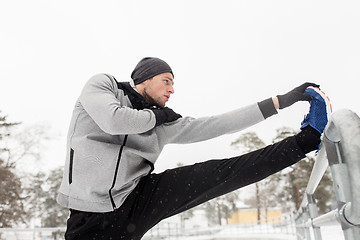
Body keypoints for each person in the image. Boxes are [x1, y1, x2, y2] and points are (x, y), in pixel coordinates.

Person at [57, 57, 331, 240]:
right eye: (167, 80)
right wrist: (157, 119)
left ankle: (305, 141)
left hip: (136, 198)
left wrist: (279, 102)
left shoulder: (163, 123)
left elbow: (218, 124)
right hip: (88, 216)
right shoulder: (102, 86)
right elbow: (114, 120)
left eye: (173, 83)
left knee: (222, 174)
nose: (172, 89)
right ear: (144, 79)